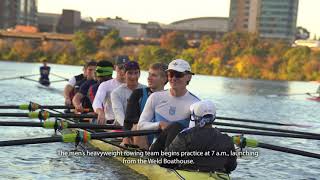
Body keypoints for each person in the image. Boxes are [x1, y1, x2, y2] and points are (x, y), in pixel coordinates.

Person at [137, 59, 200, 151]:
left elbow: (198, 136)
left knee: (176, 127)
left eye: (178, 75)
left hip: (181, 151)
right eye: (171, 74)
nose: (173, 78)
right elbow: (140, 125)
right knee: (175, 127)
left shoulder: (196, 103)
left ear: (189, 77)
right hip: (157, 149)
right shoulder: (155, 97)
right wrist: (160, 124)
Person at [163, 100, 237, 175]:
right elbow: (231, 166)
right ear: (214, 117)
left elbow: (165, 161)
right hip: (216, 175)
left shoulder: (185, 136)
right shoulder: (227, 139)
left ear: (194, 117)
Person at [122, 62, 168, 148]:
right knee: (137, 127)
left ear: (164, 79)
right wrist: (126, 136)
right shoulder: (138, 94)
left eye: (153, 75)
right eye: (149, 74)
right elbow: (128, 121)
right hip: (140, 135)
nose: (148, 78)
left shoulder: (170, 97)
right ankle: (142, 154)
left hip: (160, 138)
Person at [93, 56, 129, 125]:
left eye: (125, 68)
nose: (123, 71)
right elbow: (96, 102)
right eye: (120, 68)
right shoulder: (105, 85)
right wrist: (100, 112)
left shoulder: (134, 87)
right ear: (115, 68)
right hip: (110, 124)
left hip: (128, 124)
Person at [111, 61, 146, 126]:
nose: (133, 77)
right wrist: (128, 128)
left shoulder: (146, 90)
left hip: (142, 127)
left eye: (136, 73)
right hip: (122, 128)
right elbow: (118, 113)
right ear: (124, 74)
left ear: (139, 74)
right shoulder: (116, 93)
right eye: (130, 73)